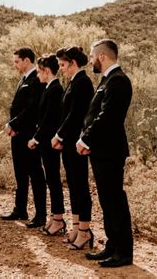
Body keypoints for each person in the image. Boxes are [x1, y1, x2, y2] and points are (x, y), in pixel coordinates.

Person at [78, 39, 133, 267]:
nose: (90, 60)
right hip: (100, 151)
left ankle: (124, 252)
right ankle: (112, 245)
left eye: (92, 56)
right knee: (106, 200)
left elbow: (107, 117)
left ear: (102, 56)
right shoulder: (107, 80)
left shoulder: (118, 80)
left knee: (114, 200)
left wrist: (86, 138)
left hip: (110, 151)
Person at [51, 46, 94, 250]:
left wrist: (58, 134)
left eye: (62, 65)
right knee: (74, 185)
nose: (61, 69)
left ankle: (85, 230)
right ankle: (76, 227)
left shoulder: (83, 83)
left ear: (73, 63)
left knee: (81, 187)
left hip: (77, 143)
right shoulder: (73, 82)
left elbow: (76, 115)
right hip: (68, 142)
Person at [1, 47, 46, 228]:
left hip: (29, 135)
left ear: (27, 60)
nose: (15, 65)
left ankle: (41, 214)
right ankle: (20, 209)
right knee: (20, 173)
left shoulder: (37, 79)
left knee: (35, 174)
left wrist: (13, 124)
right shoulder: (24, 79)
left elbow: (32, 108)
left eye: (17, 61)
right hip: (18, 134)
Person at [27, 54, 65, 235]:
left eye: (39, 71)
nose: (37, 75)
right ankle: (55, 216)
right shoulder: (49, 88)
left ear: (46, 71)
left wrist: (35, 138)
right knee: (51, 179)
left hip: (49, 142)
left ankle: (58, 218)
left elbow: (49, 120)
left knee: (53, 180)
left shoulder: (55, 89)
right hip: (46, 141)